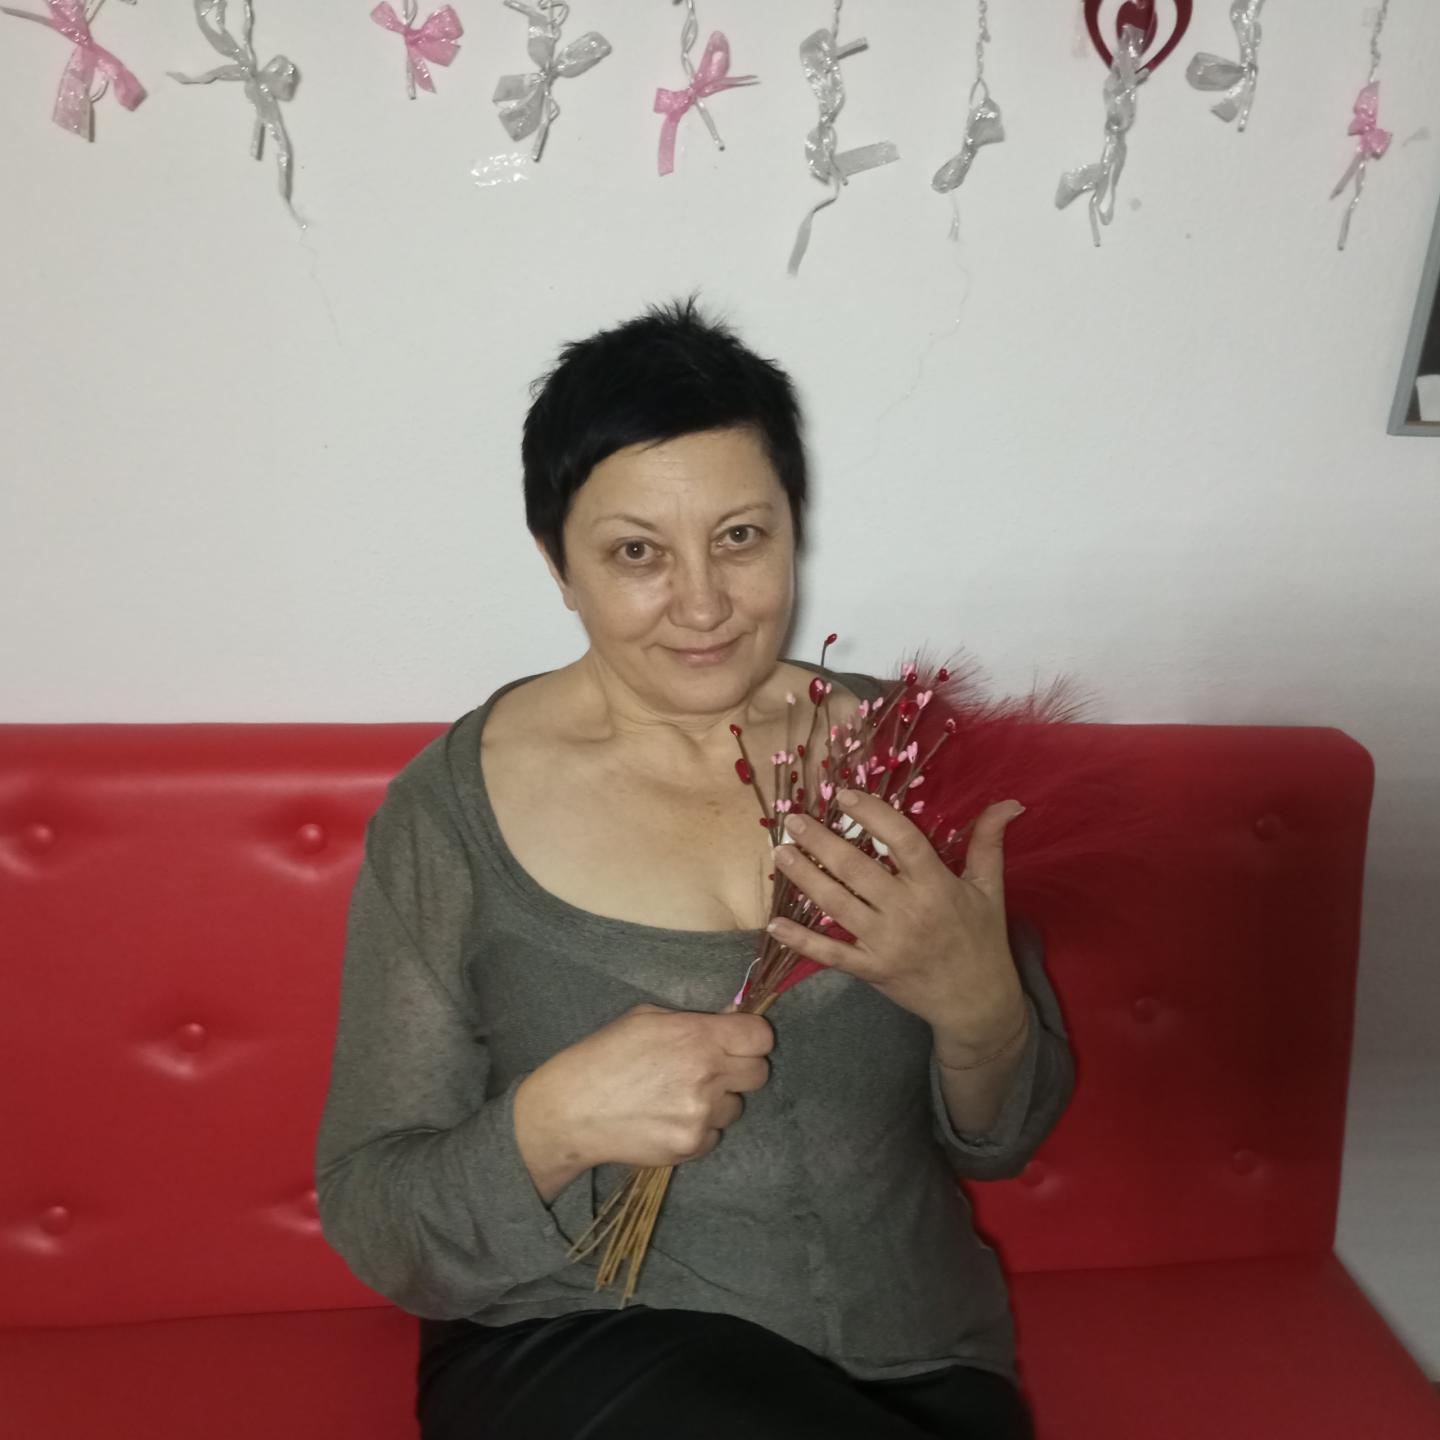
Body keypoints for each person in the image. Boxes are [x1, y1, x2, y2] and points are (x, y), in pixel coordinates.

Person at [315, 298, 1075, 1439]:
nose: (705, 603)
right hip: (576, 1349)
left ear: (793, 527)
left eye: (740, 537)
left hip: (919, 1356)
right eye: (637, 552)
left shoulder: (910, 760)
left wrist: (981, 1011)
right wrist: (553, 1122)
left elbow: (1007, 1139)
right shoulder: (450, 815)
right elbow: (377, 1215)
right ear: (557, 563)